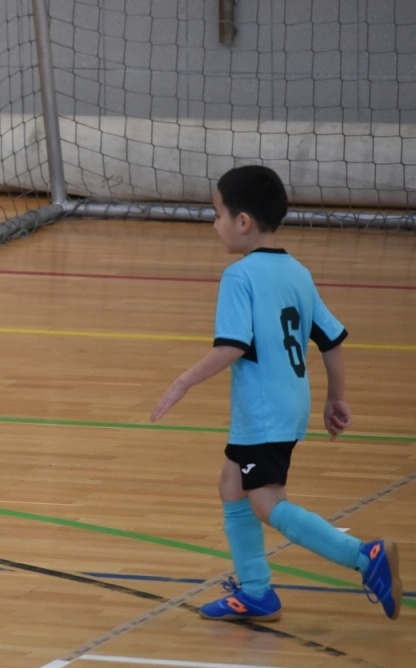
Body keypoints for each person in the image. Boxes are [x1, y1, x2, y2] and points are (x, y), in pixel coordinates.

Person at [151, 165, 402, 622]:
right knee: (232, 484)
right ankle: (256, 592)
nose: (214, 224)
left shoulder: (240, 277)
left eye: (217, 214)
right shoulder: (297, 271)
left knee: (266, 502)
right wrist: (335, 398)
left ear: (242, 221)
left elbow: (232, 346)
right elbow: (331, 338)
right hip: (287, 404)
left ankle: (365, 558)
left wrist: (183, 381)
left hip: (263, 413)